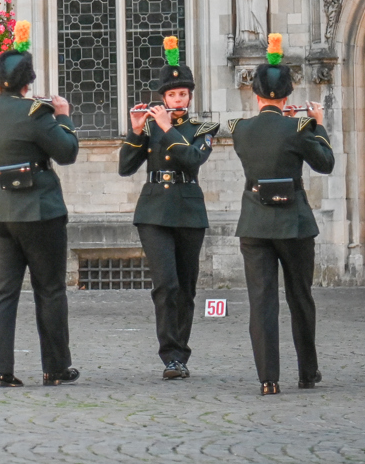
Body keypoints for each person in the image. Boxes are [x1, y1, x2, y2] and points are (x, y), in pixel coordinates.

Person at [0, 21, 80, 388]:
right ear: (27, 82)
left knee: (0, 292)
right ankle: (55, 368)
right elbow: (66, 152)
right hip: (37, 210)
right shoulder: (36, 113)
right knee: (49, 290)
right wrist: (63, 115)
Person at [228, 33, 335, 395]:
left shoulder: (240, 130)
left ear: (255, 94)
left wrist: (289, 126)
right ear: (288, 96)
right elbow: (325, 163)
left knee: (262, 302)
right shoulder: (299, 127)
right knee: (300, 297)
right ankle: (307, 372)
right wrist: (317, 124)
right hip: (294, 222)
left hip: (255, 223)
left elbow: (267, 139)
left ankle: (268, 378)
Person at [118, 37, 219, 380]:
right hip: (153, 213)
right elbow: (125, 167)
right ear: (163, 98)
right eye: (172, 94)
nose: (178, 99)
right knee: (165, 284)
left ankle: (181, 352)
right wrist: (135, 133)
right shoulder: (149, 128)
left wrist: (166, 127)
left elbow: (192, 160)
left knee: (185, 287)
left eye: (183, 94)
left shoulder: (203, 129)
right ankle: (170, 356)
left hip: (188, 210)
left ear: (189, 97)